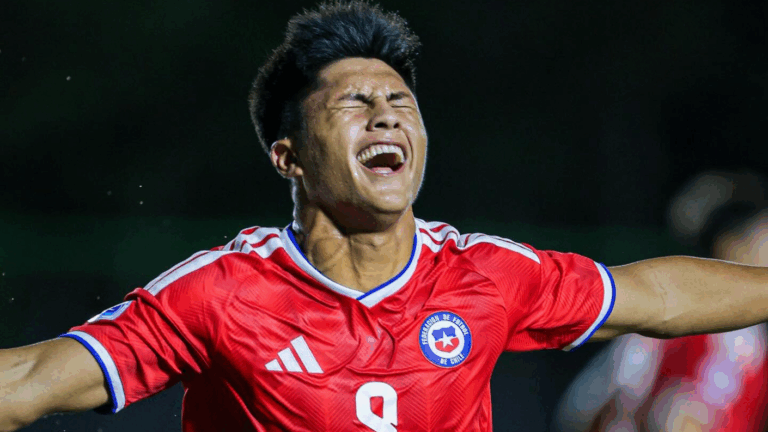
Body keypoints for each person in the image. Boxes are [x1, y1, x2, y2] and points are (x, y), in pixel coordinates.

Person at [2, 3, 768, 431]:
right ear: (288, 156)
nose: (387, 118)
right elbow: (33, 377)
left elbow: (655, 297)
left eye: (401, 103)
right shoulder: (220, 295)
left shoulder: (484, 277)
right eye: (354, 104)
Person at [552, 171, 768, 432]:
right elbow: (678, 418)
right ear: (731, 246)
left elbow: (579, 412)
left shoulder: (657, 325)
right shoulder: (730, 330)